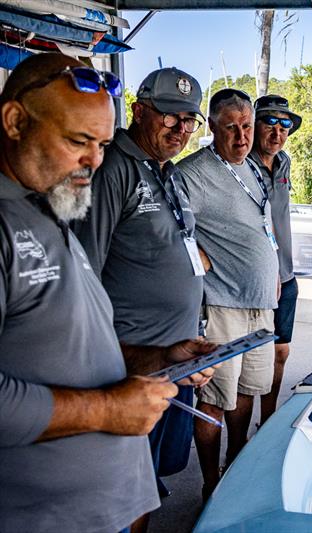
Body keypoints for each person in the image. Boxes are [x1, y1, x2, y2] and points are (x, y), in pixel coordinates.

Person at [0, 52, 211, 532]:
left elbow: (74, 344)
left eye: (100, 143)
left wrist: (159, 358)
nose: (95, 160)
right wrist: (107, 409)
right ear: (14, 121)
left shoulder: (51, 208)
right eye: (79, 140)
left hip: (100, 503)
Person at [71, 66, 213, 516]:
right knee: (123, 494)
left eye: (190, 119)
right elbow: (84, 271)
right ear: (138, 111)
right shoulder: (113, 168)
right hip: (133, 361)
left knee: (148, 480)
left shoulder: (162, 169)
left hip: (175, 357)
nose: (181, 128)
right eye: (170, 117)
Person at [178, 88, 280, 498]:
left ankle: (234, 469)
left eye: (247, 126)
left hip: (260, 304)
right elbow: (168, 227)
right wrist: (194, 251)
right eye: (231, 128)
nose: (241, 137)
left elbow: (260, 225)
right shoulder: (193, 173)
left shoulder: (254, 168)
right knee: (215, 398)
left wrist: (271, 268)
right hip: (222, 305)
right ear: (212, 128)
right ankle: (209, 483)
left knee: (246, 393)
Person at [248, 94, 302, 423]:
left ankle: (266, 421)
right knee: (252, 357)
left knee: (281, 352)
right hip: (256, 277)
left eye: (284, 125)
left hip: (286, 274)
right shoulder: (241, 163)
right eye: (269, 122)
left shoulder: (285, 162)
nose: (278, 131)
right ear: (253, 127)